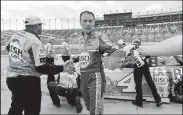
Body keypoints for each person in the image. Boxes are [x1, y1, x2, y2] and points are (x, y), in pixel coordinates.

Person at [5, 16, 66, 115]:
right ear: (37, 26)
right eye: (40, 25)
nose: (41, 28)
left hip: (12, 78)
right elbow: (41, 67)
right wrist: (62, 68)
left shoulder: (15, 35)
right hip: (28, 81)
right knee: (32, 110)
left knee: (16, 108)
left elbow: (8, 48)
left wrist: (21, 58)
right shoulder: (35, 41)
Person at [72, 11, 116, 115]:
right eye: (85, 21)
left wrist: (109, 52)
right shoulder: (80, 39)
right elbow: (84, 55)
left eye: (90, 21)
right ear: (80, 22)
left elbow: (113, 50)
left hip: (95, 77)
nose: (87, 23)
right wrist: (74, 59)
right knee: (88, 106)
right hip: (83, 76)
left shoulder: (100, 37)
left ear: (94, 22)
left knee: (95, 109)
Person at [128, 39, 162, 107]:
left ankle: (139, 102)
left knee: (138, 84)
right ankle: (158, 100)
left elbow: (130, 61)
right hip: (145, 65)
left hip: (138, 67)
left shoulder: (131, 50)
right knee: (150, 82)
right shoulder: (142, 49)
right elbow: (149, 55)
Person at [45, 38, 60, 107]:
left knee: (50, 72)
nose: (53, 41)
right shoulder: (50, 45)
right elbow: (50, 53)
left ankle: (51, 79)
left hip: (47, 59)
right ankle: (50, 81)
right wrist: (55, 56)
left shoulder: (47, 45)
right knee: (51, 71)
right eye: (53, 40)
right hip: (50, 59)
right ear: (50, 40)